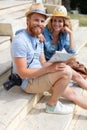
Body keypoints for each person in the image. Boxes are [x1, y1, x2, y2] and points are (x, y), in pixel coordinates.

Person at [12, 3, 87, 113]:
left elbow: (43, 61)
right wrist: (49, 69)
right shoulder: (21, 40)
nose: (39, 24)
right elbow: (23, 73)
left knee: (72, 93)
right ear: (28, 20)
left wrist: (56, 65)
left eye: (42, 21)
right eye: (36, 20)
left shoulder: (39, 38)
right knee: (66, 72)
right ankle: (52, 105)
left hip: (41, 75)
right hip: (28, 82)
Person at [39, 5, 87, 90]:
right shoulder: (44, 31)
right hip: (44, 64)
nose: (57, 24)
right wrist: (38, 34)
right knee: (75, 76)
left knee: (77, 75)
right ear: (51, 21)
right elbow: (23, 32)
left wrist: (70, 33)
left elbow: (72, 53)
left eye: (60, 21)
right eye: (55, 20)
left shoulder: (63, 35)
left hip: (56, 63)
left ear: (64, 23)